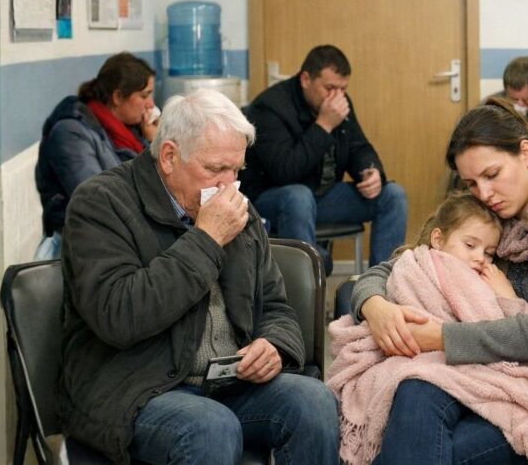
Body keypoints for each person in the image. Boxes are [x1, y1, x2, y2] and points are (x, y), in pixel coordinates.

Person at [350, 99, 528, 463]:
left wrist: (441, 337)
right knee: (415, 391)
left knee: (424, 448)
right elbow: (405, 261)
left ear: (525, 153)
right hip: (505, 378)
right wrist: (374, 306)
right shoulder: (493, 218)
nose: (485, 194)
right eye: (472, 183)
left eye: (492, 174)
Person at [59, 89, 339, 464]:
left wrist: (275, 345)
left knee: (313, 402)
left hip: (226, 383)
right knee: (210, 427)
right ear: (169, 156)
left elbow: (275, 306)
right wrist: (207, 238)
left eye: (236, 170)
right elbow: (119, 316)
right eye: (215, 169)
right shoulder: (101, 203)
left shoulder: (237, 208)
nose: (228, 185)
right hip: (134, 388)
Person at [328, 192, 528, 465]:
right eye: (470, 245)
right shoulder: (415, 263)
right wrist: (374, 305)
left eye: (489, 253)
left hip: (455, 361)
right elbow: (383, 277)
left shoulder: (483, 279)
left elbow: (511, 329)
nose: (480, 258)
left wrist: (507, 297)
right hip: (415, 355)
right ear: (438, 239)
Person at [240, 44, 408, 274]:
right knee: (299, 196)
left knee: (393, 195)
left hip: (323, 196)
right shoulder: (269, 107)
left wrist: (370, 170)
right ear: (305, 79)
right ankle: (308, 281)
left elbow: (358, 146)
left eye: (342, 89)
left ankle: (380, 284)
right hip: (273, 198)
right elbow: (285, 171)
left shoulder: (338, 103)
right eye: (329, 88)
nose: (337, 96)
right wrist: (324, 125)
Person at [35, 52, 158, 260]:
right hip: (76, 250)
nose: (151, 104)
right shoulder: (71, 133)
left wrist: (151, 141)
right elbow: (95, 198)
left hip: (114, 241)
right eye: (144, 96)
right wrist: (152, 147)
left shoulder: (128, 131)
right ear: (117, 97)